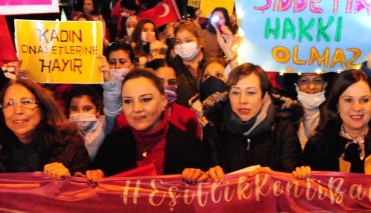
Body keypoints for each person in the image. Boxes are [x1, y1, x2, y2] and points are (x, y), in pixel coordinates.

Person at [87, 69, 218, 181]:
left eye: (146, 99)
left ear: (163, 101)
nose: (136, 108)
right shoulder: (113, 144)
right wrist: (94, 176)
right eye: (128, 101)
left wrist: (200, 177)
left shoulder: (188, 145)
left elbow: (205, 190)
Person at [0, 79, 90, 177]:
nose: (17, 111)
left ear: (43, 108)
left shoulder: (70, 145)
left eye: (26, 102)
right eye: (9, 104)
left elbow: (84, 190)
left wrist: (67, 179)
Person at [202, 63, 303, 173]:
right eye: (235, 92)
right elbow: (206, 170)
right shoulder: (215, 127)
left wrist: (273, 175)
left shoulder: (282, 127)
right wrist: (208, 174)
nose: (242, 100)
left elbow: (291, 174)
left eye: (251, 92)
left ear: (265, 96)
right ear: (228, 95)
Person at [65, 85, 107, 160]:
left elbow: (113, 109)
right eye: (75, 109)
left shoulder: (105, 126)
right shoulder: (64, 132)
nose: (80, 114)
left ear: (97, 111)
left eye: (87, 109)